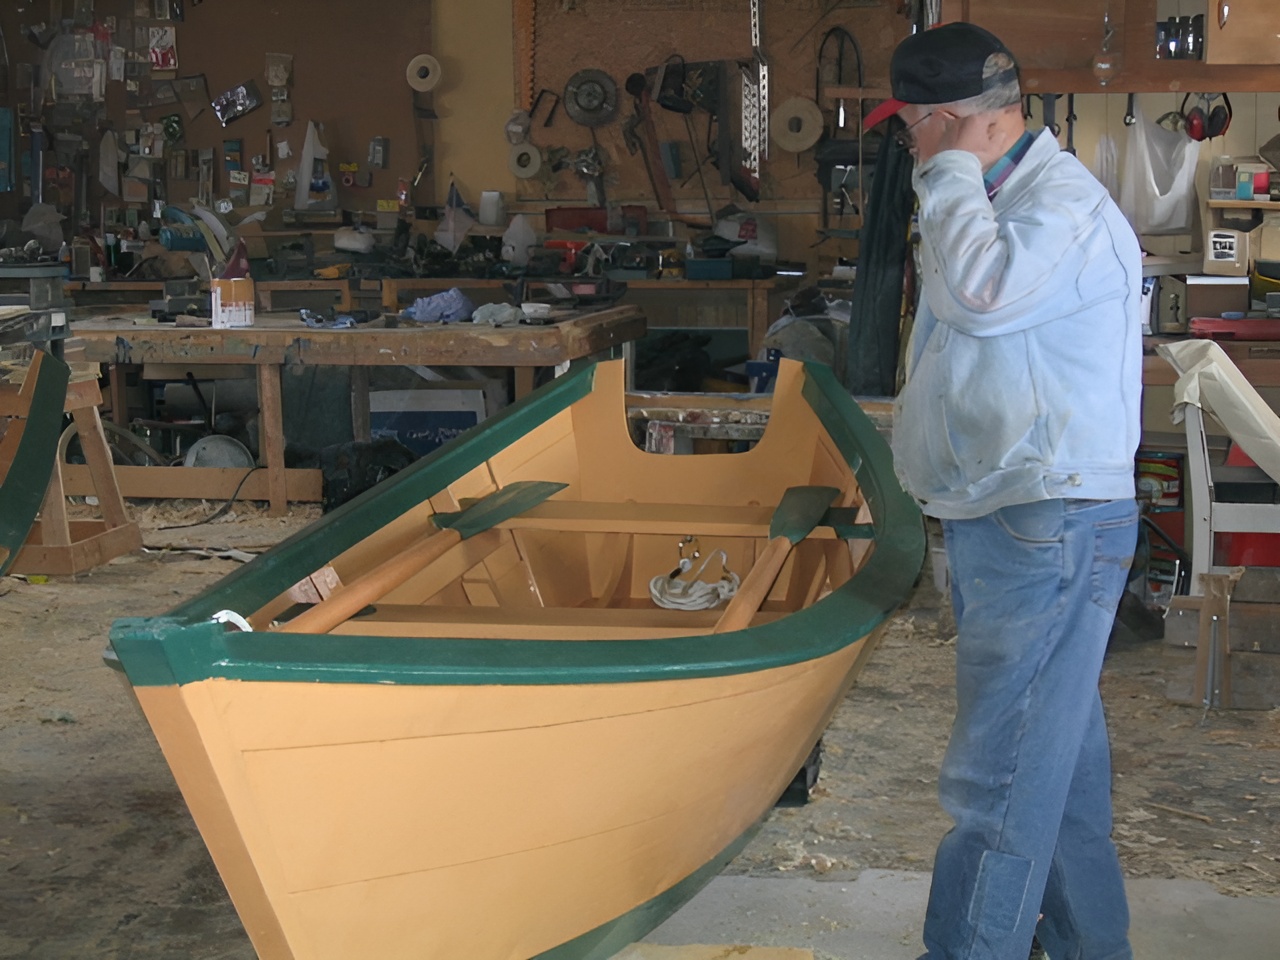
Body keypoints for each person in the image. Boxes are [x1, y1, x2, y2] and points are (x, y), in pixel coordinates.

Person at [863, 22, 1143, 960]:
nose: (909, 149)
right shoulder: (1004, 197)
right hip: (1018, 512)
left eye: (913, 129)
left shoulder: (1058, 207)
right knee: (1056, 774)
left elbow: (981, 298)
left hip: (1048, 520)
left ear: (947, 121)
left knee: (1001, 776)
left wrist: (944, 173)